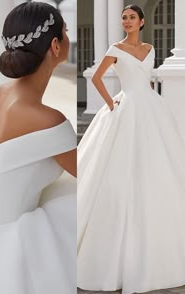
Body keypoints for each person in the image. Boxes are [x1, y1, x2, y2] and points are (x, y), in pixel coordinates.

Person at [0, 2, 77, 294]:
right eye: (66, 32)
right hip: (9, 239)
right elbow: (92, 173)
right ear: (55, 46)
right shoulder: (49, 120)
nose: (69, 39)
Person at [77, 4, 185, 294]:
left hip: (150, 108)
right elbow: (98, 77)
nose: (126, 21)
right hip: (126, 109)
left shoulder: (150, 49)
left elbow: (145, 79)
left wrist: (149, 99)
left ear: (142, 22)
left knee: (158, 167)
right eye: (123, 17)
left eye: (131, 17)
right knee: (120, 168)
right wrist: (112, 103)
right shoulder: (116, 47)